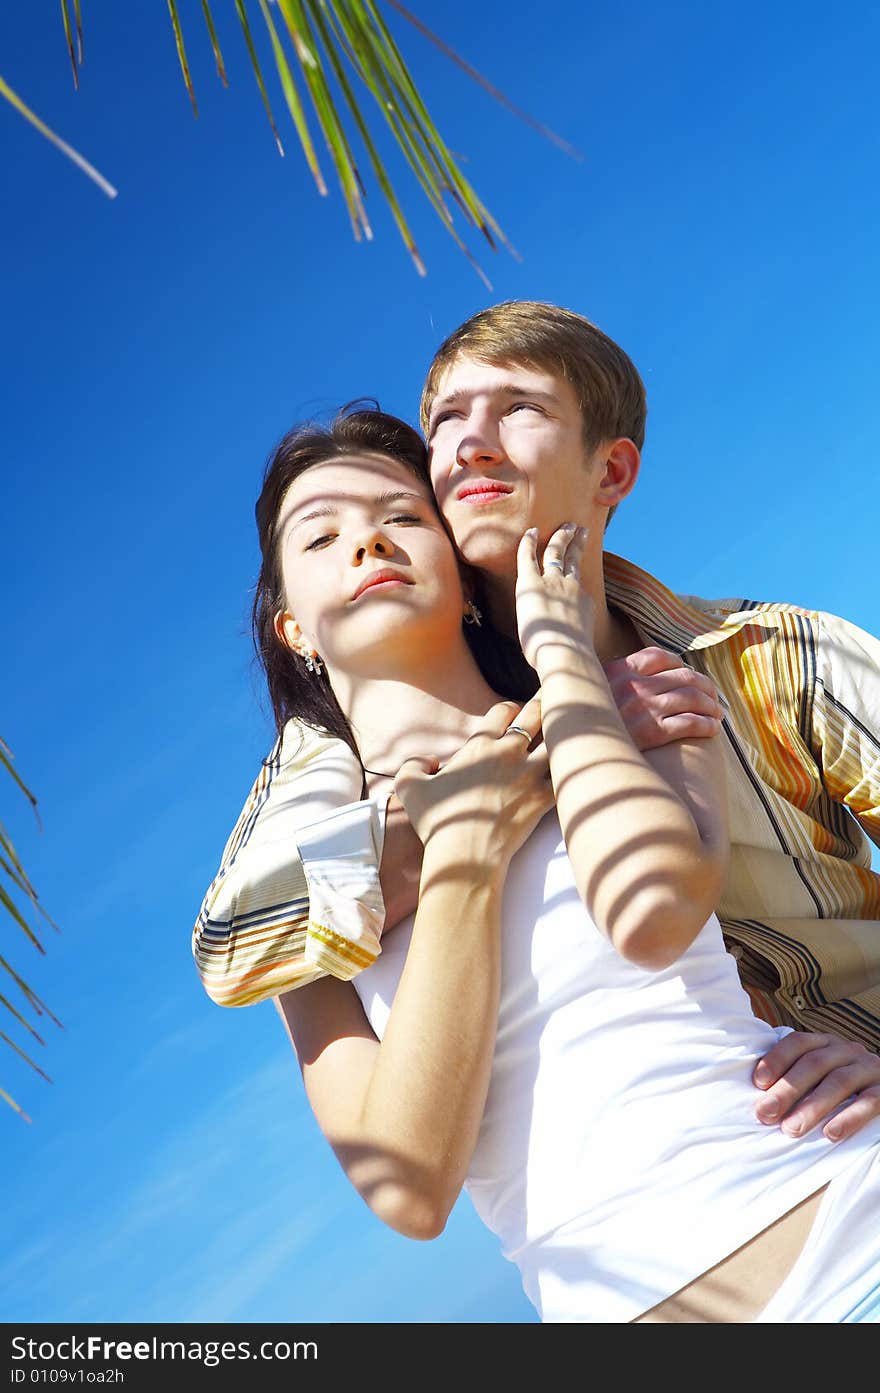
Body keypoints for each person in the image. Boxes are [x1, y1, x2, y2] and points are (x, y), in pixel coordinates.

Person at [198, 409, 880, 1322]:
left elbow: (672, 917)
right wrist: (467, 853)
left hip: (850, 1221)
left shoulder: (626, 706)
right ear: (295, 631)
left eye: (401, 516)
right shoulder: (304, 905)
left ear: (465, 573)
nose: (364, 541)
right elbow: (411, 1187)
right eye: (320, 537)